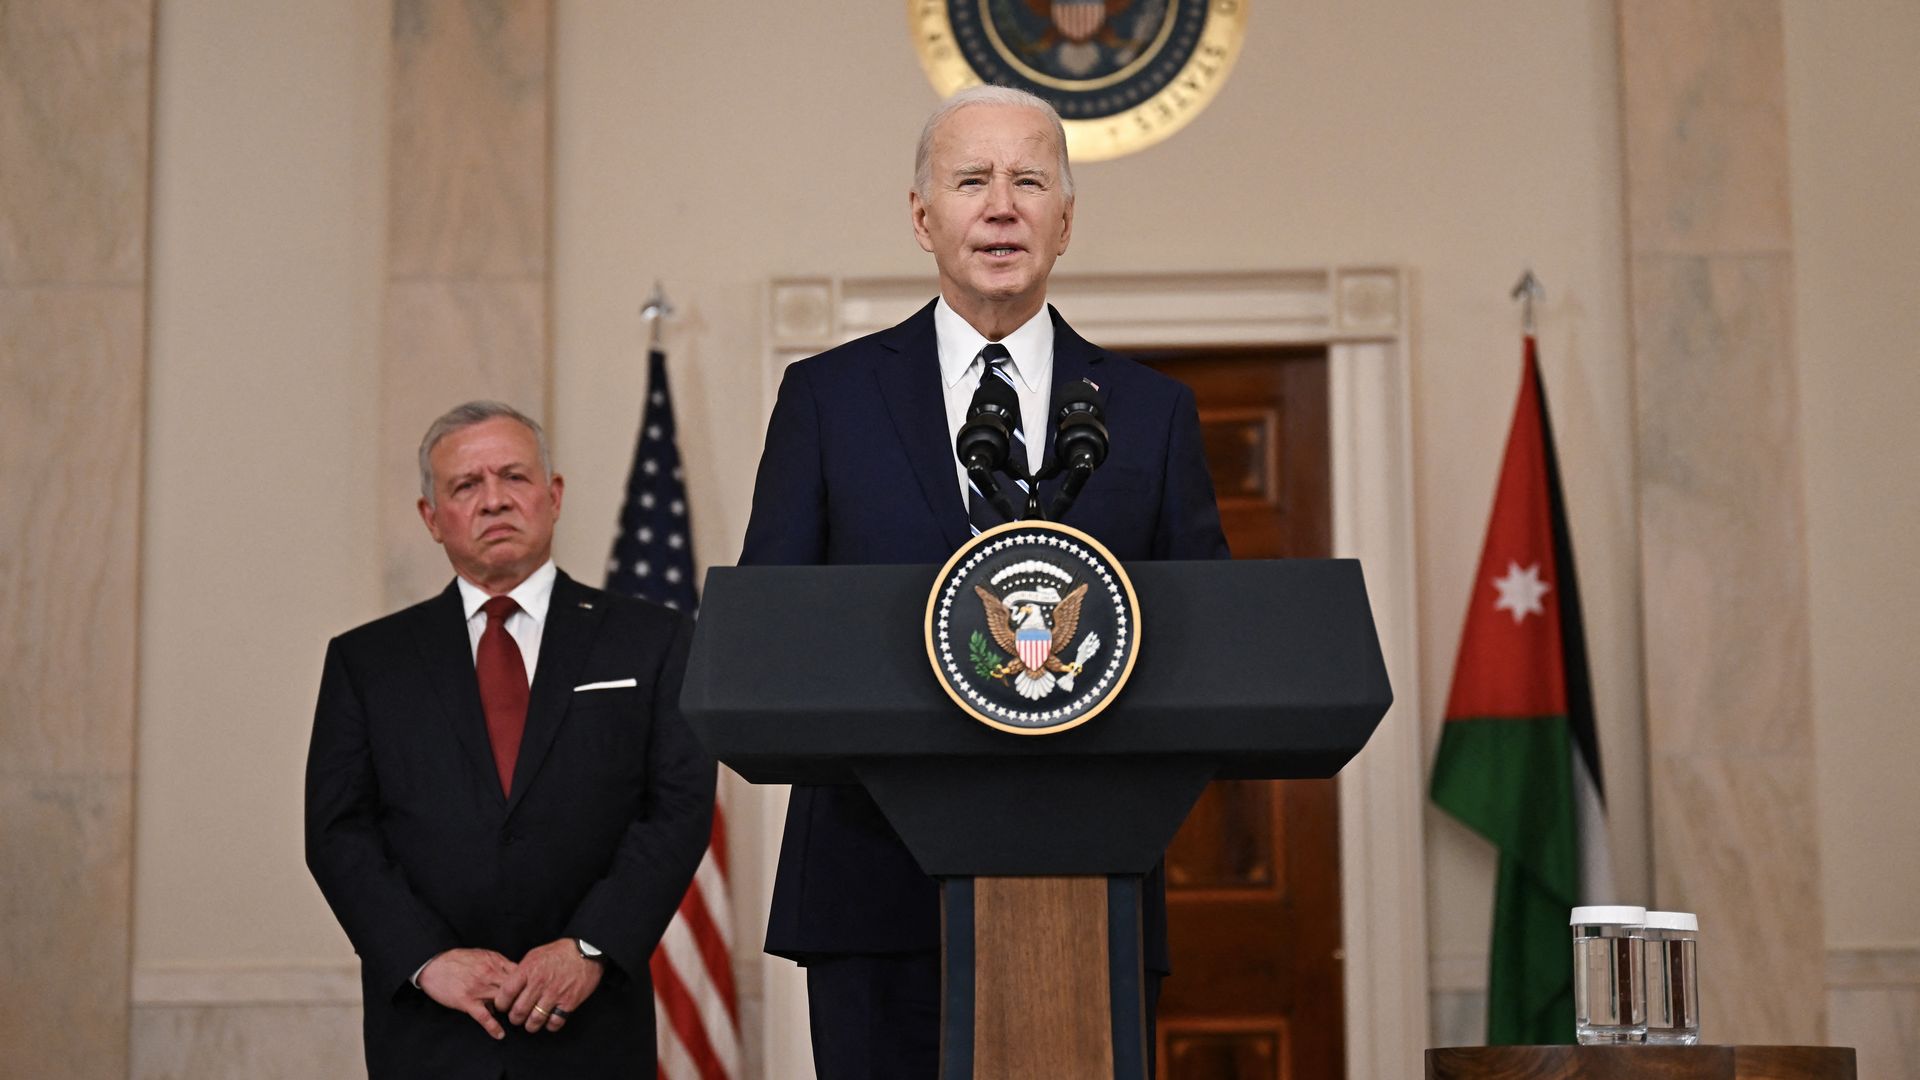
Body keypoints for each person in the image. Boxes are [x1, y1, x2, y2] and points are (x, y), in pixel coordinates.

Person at [740, 85, 1230, 1078]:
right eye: (972, 181)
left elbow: (1211, 645)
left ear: (1064, 220)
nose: (1000, 206)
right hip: (872, 891)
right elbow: (769, 637)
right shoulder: (828, 401)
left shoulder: (1148, 413)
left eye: (1028, 181)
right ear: (924, 218)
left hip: (1092, 888)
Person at [305, 401, 714, 1079]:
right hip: (433, 1030)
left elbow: (677, 808)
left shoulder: (654, 641)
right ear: (431, 518)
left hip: (593, 1024)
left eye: (514, 478)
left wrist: (588, 946)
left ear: (552, 497)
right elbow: (338, 832)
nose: (494, 500)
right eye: (466, 486)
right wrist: (428, 959)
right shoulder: (368, 662)